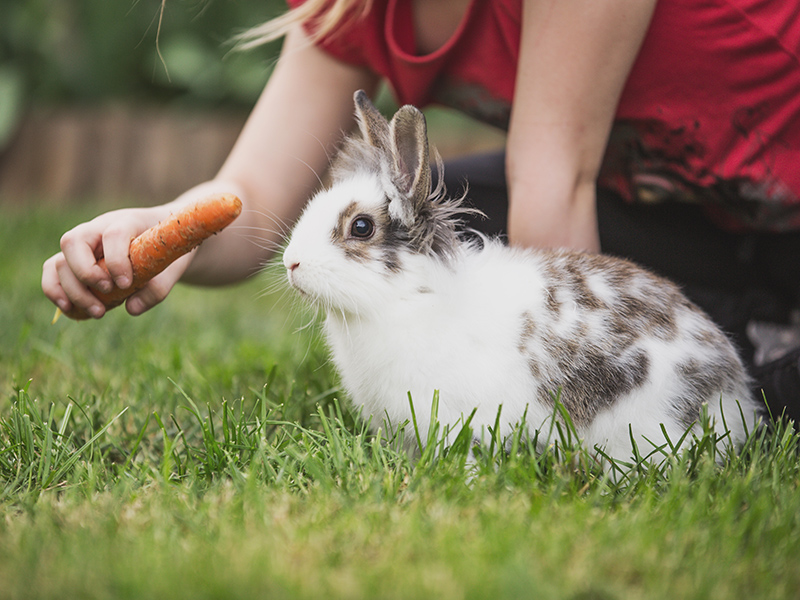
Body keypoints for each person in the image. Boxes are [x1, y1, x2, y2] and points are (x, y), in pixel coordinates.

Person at [42, 0, 800, 421]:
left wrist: (548, 422)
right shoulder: (354, 10)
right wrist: (160, 229)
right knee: (453, 213)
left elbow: (552, 190)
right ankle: (756, 331)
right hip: (696, 221)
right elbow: (256, 202)